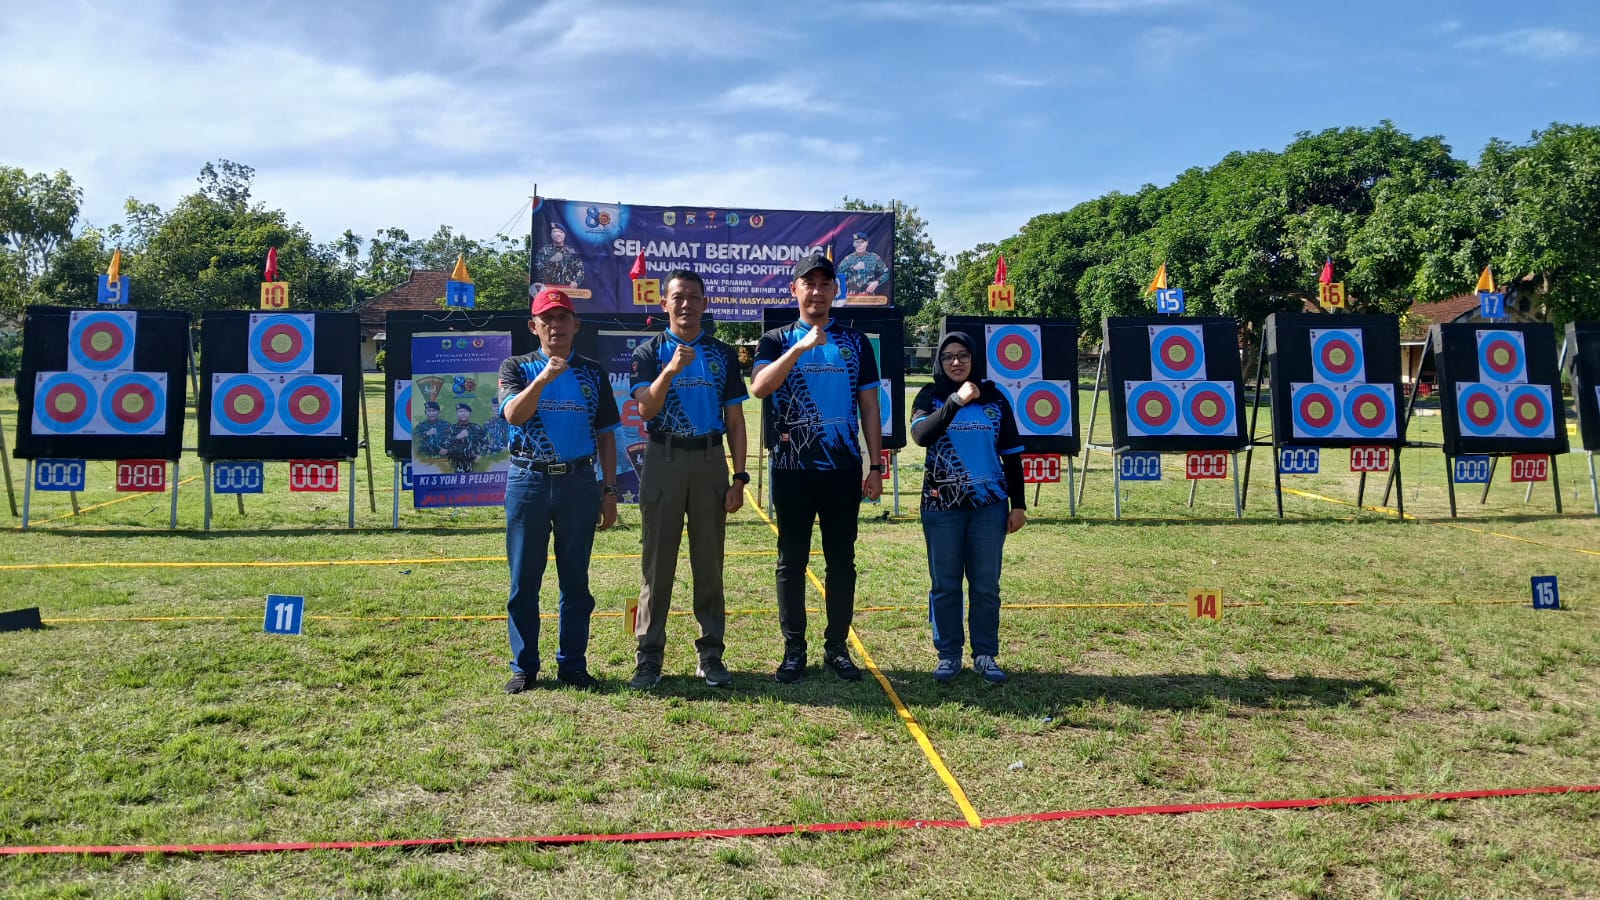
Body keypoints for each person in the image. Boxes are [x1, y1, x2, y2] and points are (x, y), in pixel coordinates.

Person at [751, 252, 884, 683]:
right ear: (795, 289)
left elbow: (869, 405)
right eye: (809, 283)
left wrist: (875, 464)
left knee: (841, 561)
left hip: (843, 470)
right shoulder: (775, 339)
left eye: (826, 283)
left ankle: (836, 648)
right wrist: (800, 347)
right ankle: (794, 650)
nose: (817, 290)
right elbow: (760, 388)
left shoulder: (855, 342)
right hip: (791, 468)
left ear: (835, 291)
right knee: (791, 561)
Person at [627, 269, 749, 689]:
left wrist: (740, 476)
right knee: (657, 564)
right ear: (665, 304)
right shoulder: (648, 352)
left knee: (709, 564)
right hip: (663, 457)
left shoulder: (722, 354)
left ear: (704, 303)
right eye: (678, 297)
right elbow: (645, 409)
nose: (686, 305)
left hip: (710, 459)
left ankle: (711, 653)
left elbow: (735, 419)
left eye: (694, 297)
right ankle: (648, 656)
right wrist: (671, 369)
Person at [497, 287, 620, 693]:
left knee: (575, 582)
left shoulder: (592, 372)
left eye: (563, 318)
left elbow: (605, 435)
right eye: (546, 319)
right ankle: (524, 666)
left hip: (579, 482)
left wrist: (609, 490)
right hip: (528, 480)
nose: (555, 325)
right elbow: (514, 414)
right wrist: (546, 377)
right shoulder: (515, 367)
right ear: (534, 327)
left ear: (576, 325)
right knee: (524, 582)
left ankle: (572, 664)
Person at [909, 332, 1027, 684]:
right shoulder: (930, 396)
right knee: (944, 584)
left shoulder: (995, 400)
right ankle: (948, 655)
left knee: (986, 585)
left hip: (989, 508)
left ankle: (985, 654)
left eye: (963, 355)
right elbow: (922, 436)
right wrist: (956, 401)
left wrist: (1018, 505)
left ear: (974, 360)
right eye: (948, 357)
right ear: (939, 362)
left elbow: (1012, 455)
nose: (956, 362)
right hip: (941, 507)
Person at [837, 231, 889, 299]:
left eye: (862, 242)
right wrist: (853, 269)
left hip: (868, 297)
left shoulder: (874, 258)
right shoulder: (848, 259)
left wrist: (876, 282)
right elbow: (839, 276)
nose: (859, 244)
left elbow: (886, 273)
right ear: (853, 244)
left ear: (867, 243)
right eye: (857, 242)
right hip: (851, 298)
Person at [534, 222, 585, 287]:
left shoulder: (571, 251)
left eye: (561, 232)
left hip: (567, 289)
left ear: (565, 235)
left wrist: (576, 282)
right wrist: (551, 261)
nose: (558, 234)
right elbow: (538, 270)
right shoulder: (544, 250)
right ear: (551, 234)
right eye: (555, 232)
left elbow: (580, 269)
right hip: (549, 288)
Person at [443, 402, 485, 473]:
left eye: (465, 411)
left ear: (469, 413)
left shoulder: (476, 428)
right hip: (456, 464)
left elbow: (485, 443)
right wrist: (457, 437)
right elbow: (444, 446)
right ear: (456, 414)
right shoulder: (451, 429)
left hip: (474, 464)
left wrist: (481, 455)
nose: (463, 413)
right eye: (460, 411)